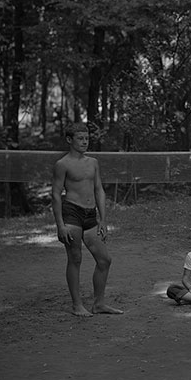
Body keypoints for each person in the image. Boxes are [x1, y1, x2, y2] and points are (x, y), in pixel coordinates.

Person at [51, 122, 123, 317]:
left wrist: (103, 219)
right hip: (71, 213)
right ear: (69, 140)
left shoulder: (93, 162)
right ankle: (77, 305)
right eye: (80, 138)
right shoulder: (62, 164)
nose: (85, 142)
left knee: (104, 260)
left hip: (91, 215)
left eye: (87, 139)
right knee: (75, 258)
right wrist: (60, 225)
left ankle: (99, 304)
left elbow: (99, 189)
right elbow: (56, 194)